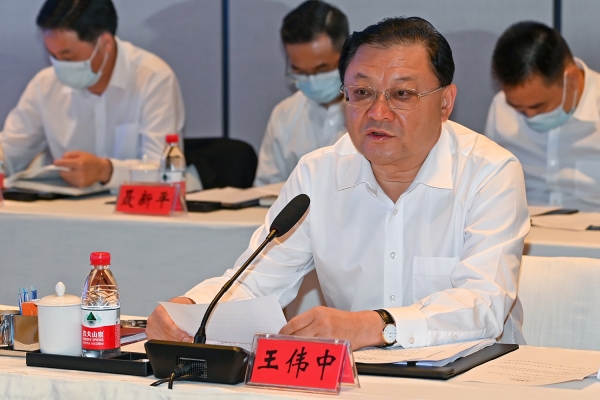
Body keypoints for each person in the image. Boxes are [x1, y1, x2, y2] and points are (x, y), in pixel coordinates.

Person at [147, 17, 529, 350]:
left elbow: (484, 302)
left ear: (445, 102)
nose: (378, 112)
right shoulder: (318, 173)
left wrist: (374, 325)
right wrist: (191, 310)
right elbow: (256, 283)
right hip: (357, 378)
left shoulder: (489, 172)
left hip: (474, 374)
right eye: (361, 93)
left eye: (402, 94)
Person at [0, 0, 184, 189]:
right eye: (53, 56)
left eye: (68, 57)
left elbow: (166, 171)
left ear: (105, 43)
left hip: (133, 205)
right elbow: (10, 151)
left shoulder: (153, 78)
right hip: (66, 205)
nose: (59, 66)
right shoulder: (45, 85)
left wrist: (105, 171)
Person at [485, 21, 600, 211]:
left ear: (571, 80)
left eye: (538, 106)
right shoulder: (501, 108)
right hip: (524, 226)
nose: (530, 115)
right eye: (518, 108)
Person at [253, 0, 348, 186]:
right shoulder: (284, 115)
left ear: (347, 55)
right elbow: (267, 189)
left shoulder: (376, 111)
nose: (312, 80)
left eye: (322, 70)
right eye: (300, 72)